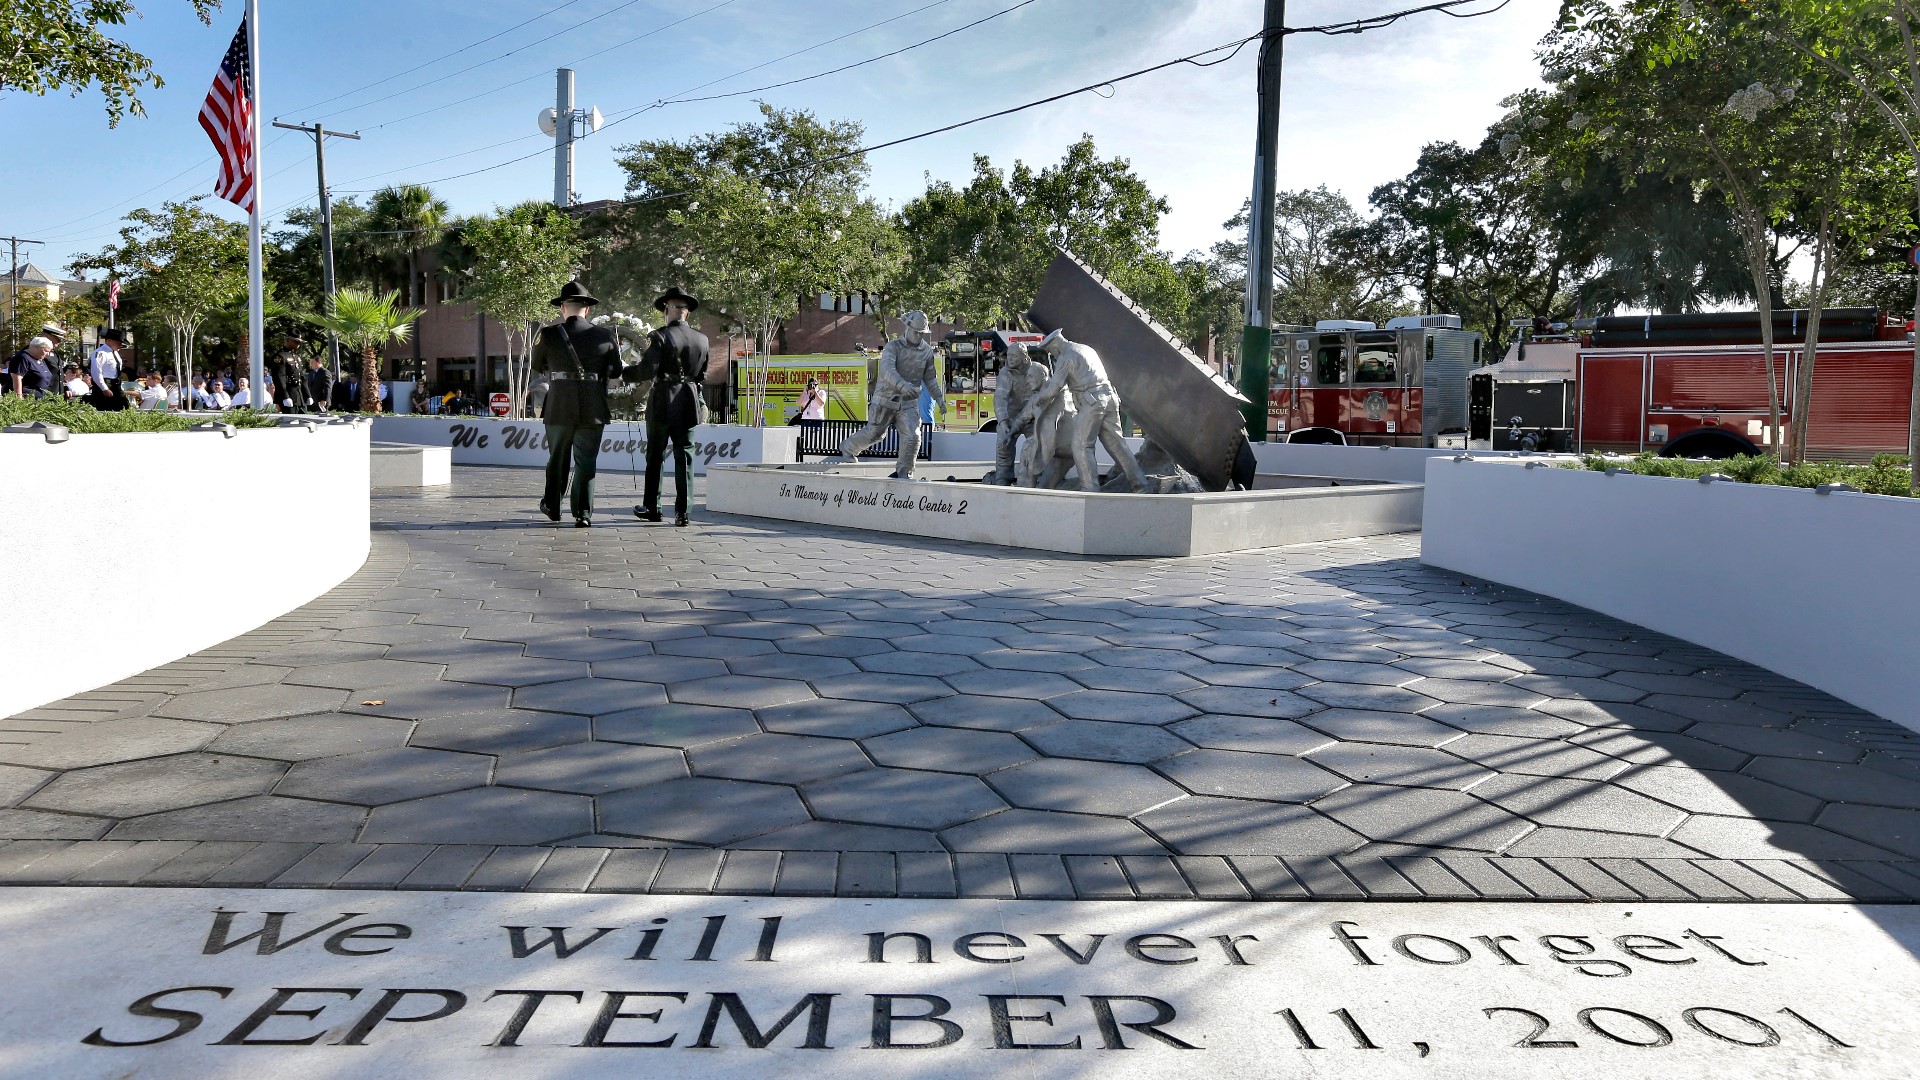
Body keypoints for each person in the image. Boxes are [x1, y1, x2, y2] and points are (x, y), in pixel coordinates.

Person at [531, 280, 622, 527]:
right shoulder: (604, 335)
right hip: (593, 406)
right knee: (586, 461)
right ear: (587, 309)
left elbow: (537, 365)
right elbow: (615, 371)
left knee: (557, 458)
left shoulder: (548, 335)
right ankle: (583, 513)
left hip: (559, 405)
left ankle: (553, 506)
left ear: (563, 307)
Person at [1018, 328, 1149, 492]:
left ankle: (1090, 489)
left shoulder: (1066, 356)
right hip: (1110, 398)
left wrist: (1038, 398)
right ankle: (1140, 485)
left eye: (1051, 352)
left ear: (1055, 347)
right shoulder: (1087, 349)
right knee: (1118, 445)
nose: (1053, 355)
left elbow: (1053, 388)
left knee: (1081, 446)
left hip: (1091, 402)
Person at [631, 286, 708, 527]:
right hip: (688, 401)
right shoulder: (703, 339)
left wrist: (623, 372)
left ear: (667, 310)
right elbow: (702, 375)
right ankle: (683, 512)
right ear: (688, 313)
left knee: (655, 455)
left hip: (663, 400)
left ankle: (652, 508)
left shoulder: (660, 336)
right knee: (685, 456)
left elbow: (646, 371)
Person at [836, 310, 943, 479]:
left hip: (908, 402)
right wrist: (902, 385)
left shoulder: (927, 351)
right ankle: (848, 447)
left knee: (913, 436)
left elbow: (930, 378)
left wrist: (939, 398)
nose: (918, 336)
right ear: (907, 327)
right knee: (875, 434)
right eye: (916, 332)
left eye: (921, 333)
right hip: (885, 399)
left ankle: (904, 472)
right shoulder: (892, 347)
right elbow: (887, 371)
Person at [268, 334, 310, 413]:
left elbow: (302, 377)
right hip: (288, 395)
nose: (298, 344)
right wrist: (285, 396)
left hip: (299, 396)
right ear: (287, 340)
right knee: (290, 419)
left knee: (304, 418)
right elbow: (279, 378)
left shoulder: (297, 357)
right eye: (295, 341)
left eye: (299, 342)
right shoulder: (280, 356)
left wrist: (308, 395)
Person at [89, 328, 128, 410]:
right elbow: (96, 372)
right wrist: (104, 388)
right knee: (106, 409)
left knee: (123, 407)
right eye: (118, 343)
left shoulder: (115, 353)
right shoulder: (100, 353)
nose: (120, 346)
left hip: (116, 384)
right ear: (109, 341)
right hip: (105, 384)